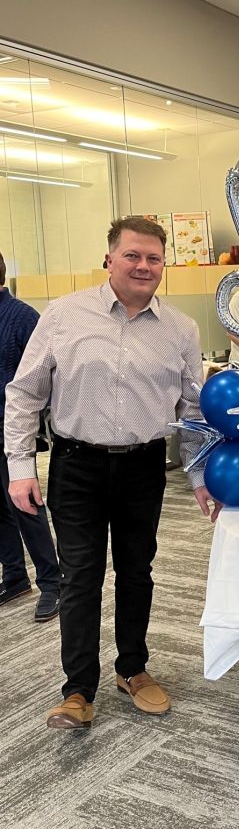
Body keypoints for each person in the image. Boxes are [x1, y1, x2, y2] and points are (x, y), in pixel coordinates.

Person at [4, 217, 221, 731]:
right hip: (75, 464)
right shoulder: (63, 315)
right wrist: (18, 467)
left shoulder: (181, 330)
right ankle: (78, 690)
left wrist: (199, 477)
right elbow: (24, 393)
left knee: (137, 570)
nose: (144, 266)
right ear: (110, 258)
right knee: (81, 576)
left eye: (153, 258)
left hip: (144, 467)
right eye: (133, 256)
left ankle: (132, 668)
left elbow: (193, 412)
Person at [0, 253, 61, 621]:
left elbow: (42, 381)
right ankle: (14, 576)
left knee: (25, 507)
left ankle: (52, 581)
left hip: (11, 433)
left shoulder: (23, 318)